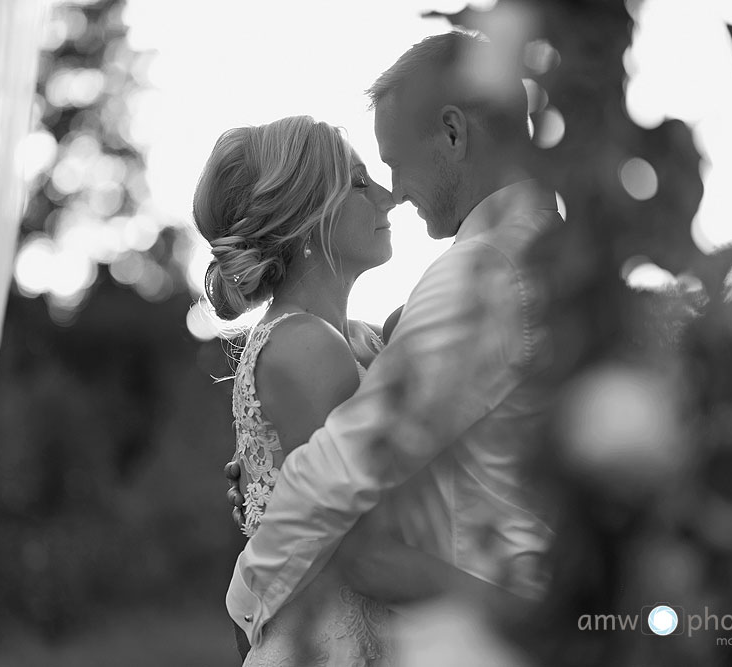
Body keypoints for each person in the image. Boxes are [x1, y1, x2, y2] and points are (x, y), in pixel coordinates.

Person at [225, 30, 561, 657]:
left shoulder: (481, 273)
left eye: (393, 162)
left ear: (454, 134)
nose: (395, 193)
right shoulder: (550, 256)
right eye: (369, 177)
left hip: (494, 629)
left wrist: (245, 597)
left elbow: (341, 468)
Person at [195, 115, 508, 665]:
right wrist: (520, 610)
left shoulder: (345, 340)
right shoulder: (307, 348)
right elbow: (365, 552)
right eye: (360, 182)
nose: (388, 196)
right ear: (307, 219)